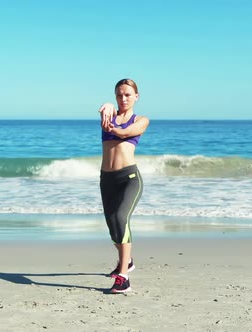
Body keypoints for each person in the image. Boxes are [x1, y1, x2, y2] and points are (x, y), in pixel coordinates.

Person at [98, 78, 149, 293]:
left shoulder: (142, 120)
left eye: (128, 94)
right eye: (119, 95)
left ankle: (123, 277)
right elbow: (105, 109)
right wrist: (107, 107)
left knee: (121, 219)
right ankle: (126, 261)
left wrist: (115, 128)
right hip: (106, 179)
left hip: (129, 179)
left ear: (136, 96)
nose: (123, 98)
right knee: (112, 226)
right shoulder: (108, 114)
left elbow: (126, 133)